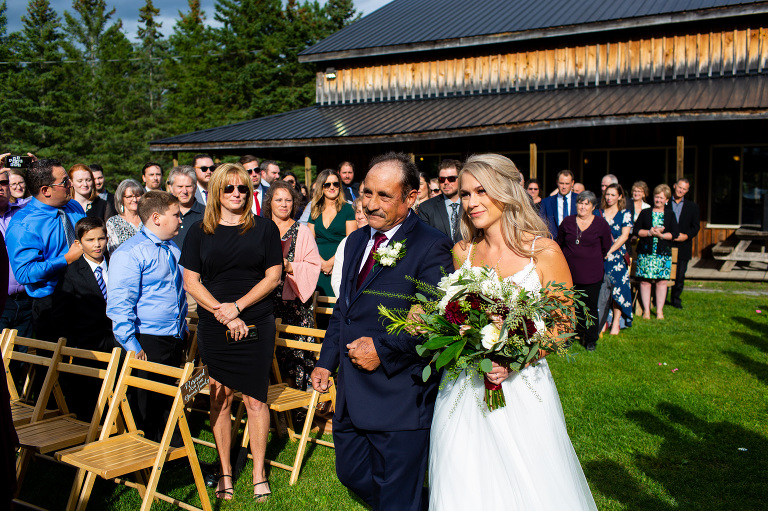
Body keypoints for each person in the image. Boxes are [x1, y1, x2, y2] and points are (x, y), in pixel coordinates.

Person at [429, 153, 597, 510]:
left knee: (532, 485)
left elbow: (564, 324)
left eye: (481, 191)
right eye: (464, 194)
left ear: (505, 192)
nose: (471, 202)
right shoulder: (463, 253)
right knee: (465, 480)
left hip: (524, 390)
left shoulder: (544, 252)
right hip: (464, 390)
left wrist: (517, 359)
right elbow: (453, 315)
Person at [311, 152, 453, 511]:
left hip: (399, 395)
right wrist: (326, 363)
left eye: (384, 196)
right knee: (352, 474)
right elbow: (345, 309)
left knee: (395, 491)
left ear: (410, 197)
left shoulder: (430, 245)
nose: (371, 204)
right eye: (366, 193)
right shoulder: (358, 240)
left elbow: (435, 322)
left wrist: (383, 349)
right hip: (351, 393)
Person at [180, 163, 282, 501]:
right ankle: (225, 471)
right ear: (216, 192)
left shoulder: (265, 229)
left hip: (255, 320)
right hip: (214, 323)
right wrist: (223, 314)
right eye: (229, 188)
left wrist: (237, 307)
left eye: (242, 188)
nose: (236, 194)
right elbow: (191, 282)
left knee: (255, 398)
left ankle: (258, 473)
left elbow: (273, 277)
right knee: (219, 398)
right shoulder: (198, 231)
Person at [107, 191, 187, 443]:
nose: (181, 220)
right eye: (176, 215)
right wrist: (132, 345)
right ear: (157, 217)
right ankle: (147, 459)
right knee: (146, 406)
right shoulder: (130, 253)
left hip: (173, 336)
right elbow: (120, 305)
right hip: (147, 340)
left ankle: (173, 451)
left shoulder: (172, 247)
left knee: (170, 400)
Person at [6, 159, 85, 341]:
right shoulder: (24, 224)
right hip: (51, 304)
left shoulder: (73, 207)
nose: (70, 184)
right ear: (45, 190)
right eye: (64, 182)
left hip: (85, 296)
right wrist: (65, 259)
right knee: (55, 365)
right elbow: (24, 273)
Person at [51, 217, 115, 420]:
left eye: (101, 238)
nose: (97, 244)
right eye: (90, 240)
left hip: (118, 340)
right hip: (88, 345)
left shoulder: (118, 265)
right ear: (78, 243)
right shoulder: (70, 273)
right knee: (90, 398)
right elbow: (61, 314)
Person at [265, 181, 322, 390]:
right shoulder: (261, 229)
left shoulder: (303, 231)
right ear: (269, 202)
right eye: (278, 200)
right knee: (268, 357)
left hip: (293, 306)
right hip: (264, 301)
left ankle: (292, 409)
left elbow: (314, 265)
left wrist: (290, 267)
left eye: (288, 200)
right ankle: (269, 407)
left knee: (290, 359)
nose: (283, 204)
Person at [557, 190, 612, 351]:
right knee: (567, 306)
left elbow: (605, 247)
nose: (582, 206)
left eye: (586, 203)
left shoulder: (601, 224)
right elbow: (560, 243)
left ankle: (590, 340)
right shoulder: (567, 221)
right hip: (569, 273)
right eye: (580, 203)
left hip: (592, 274)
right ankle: (566, 337)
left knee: (590, 307)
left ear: (593, 206)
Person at [633, 184, 679, 320]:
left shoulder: (670, 214)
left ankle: (659, 311)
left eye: (661, 198)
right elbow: (636, 231)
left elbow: (675, 234)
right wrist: (649, 232)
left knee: (661, 282)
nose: (658, 200)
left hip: (662, 254)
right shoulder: (645, 213)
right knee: (645, 282)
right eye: (656, 197)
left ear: (666, 200)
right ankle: (646, 311)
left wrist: (661, 236)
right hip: (646, 253)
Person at [308, 169, 356, 297]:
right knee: (318, 308)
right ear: (321, 187)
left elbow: (351, 241)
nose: (332, 187)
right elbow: (309, 242)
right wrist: (321, 263)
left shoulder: (348, 209)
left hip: (340, 264)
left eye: (336, 184)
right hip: (317, 266)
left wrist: (331, 263)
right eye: (327, 184)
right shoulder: (314, 209)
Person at [0, 169, 33, 338]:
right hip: (2, 303)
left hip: (26, 299)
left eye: (4, 183)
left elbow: (44, 201)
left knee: (23, 360)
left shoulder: (22, 212)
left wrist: (35, 171)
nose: (1, 188)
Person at [600, 184, 633, 334]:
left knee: (618, 291)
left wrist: (610, 250)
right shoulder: (598, 212)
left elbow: (624, 236)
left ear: (620, 196)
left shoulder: (625, 213)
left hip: (617, 258)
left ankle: (616, 323)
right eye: (607, 194)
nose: (609, 198)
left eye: (613, 195)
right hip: (599, 257)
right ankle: (602, 321)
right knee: (601, 290)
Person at [669, 178, 700, 310]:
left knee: (680, 275)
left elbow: (696, 226)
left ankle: (676, 299)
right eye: (679, 187)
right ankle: (659, 298)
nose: (681, 190)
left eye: (684, 189)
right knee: (663, 273)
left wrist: (686, 236)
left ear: (687, 191)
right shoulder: (664, 203)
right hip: (666, 243)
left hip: (683, 245)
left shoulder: (692, 206)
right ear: (674, 186)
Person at [418, 159, 464, 244]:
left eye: (451, 179)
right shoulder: (426, 208)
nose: (446, 182)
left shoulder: (470, 203)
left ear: (460, 179)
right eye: (442, 179)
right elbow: (424, 240)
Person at [331, 197, 368, 296]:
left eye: (364, 211)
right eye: (358, 212)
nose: (360, 216)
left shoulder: (380, 240)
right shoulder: (347, 242)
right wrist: (344, 299)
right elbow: (337, 277)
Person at [168, 165, 205, 249]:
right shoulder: (163, 213)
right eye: (180, 187)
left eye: (188, 186)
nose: (184, 191)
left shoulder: (207, 214)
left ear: (195, 187)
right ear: (171, 188)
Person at [106, 179, 144, 253]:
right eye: (129, 196)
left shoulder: (148, 220)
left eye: (138, 196)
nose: (134, 200)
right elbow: (114, 251)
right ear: (121, 199)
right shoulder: (113, 222)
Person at [540, 169, 578, 238]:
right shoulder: (546, 202)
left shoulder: (579, 200)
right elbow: (541, 224)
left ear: (572, 183)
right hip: (553, 242)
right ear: (557, 182)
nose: (564, 187)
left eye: (567, 184)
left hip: (574, 243)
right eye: (561, 183)